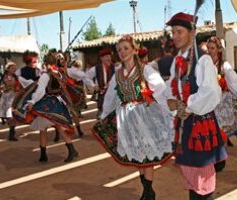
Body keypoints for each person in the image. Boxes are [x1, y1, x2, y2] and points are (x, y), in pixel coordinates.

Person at [95, 35, 174, 200]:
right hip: (127, 118)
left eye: (126, 48)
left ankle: (148, 191)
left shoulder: (145, 69)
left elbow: (159, 88)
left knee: (147, 153)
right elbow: (110, 97)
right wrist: (104, 115)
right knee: (137, 153)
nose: (122, 52)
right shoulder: (117, 75)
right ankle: (147, 190)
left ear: (134, 50)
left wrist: (160, 107)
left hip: (145, 114)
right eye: (120, 49)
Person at [166, 12, 227, 199]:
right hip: (185, 124)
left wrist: (188, 106)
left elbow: (211, 92)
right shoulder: (178, 62)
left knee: (203, 176)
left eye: (179, 31)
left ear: (192, 34)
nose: (175, 36)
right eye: (173, 32)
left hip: (200, 124)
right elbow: (174, 89)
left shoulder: (204, 60)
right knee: (191, 173)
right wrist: (172, 101)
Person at [13, 51, 79, 163]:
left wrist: (32, 101)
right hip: (58, 103)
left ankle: (68, 151)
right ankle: (48, 154)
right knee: (51, 128)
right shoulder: (58, 73)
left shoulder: (46, 75)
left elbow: (40, 91)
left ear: (46, 62)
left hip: (47, 105)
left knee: (50, 129)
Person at [206, 36, 237, 148]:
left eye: (212, 48)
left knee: (220, 127)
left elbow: (234, 81)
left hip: (222, 101)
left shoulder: (224, 65)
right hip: (209, 101)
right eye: (208, 48)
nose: (209, 51)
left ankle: (220, 151)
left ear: (218, 49)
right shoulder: (205, 64)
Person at [0, 62, 21, 141]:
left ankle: (11, 133)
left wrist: (17, 88)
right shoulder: (4, 77)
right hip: (6, 97)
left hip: (13, 98)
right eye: (12, 68)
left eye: (15, 68)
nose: (14, 69)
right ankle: (11, 130)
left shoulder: (16, 77)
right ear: (8, 69)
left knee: (11, 115)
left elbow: (18, 86)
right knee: (8, 116)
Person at [86, 47, 115, 119]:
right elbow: (86, 77)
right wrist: (93, 85)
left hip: (113, 94)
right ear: (102, 58)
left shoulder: (114, 67)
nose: (109, 58)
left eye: (109, 56)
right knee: (103, 115)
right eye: (106, 57)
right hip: (102, 95)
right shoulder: (96, 68)